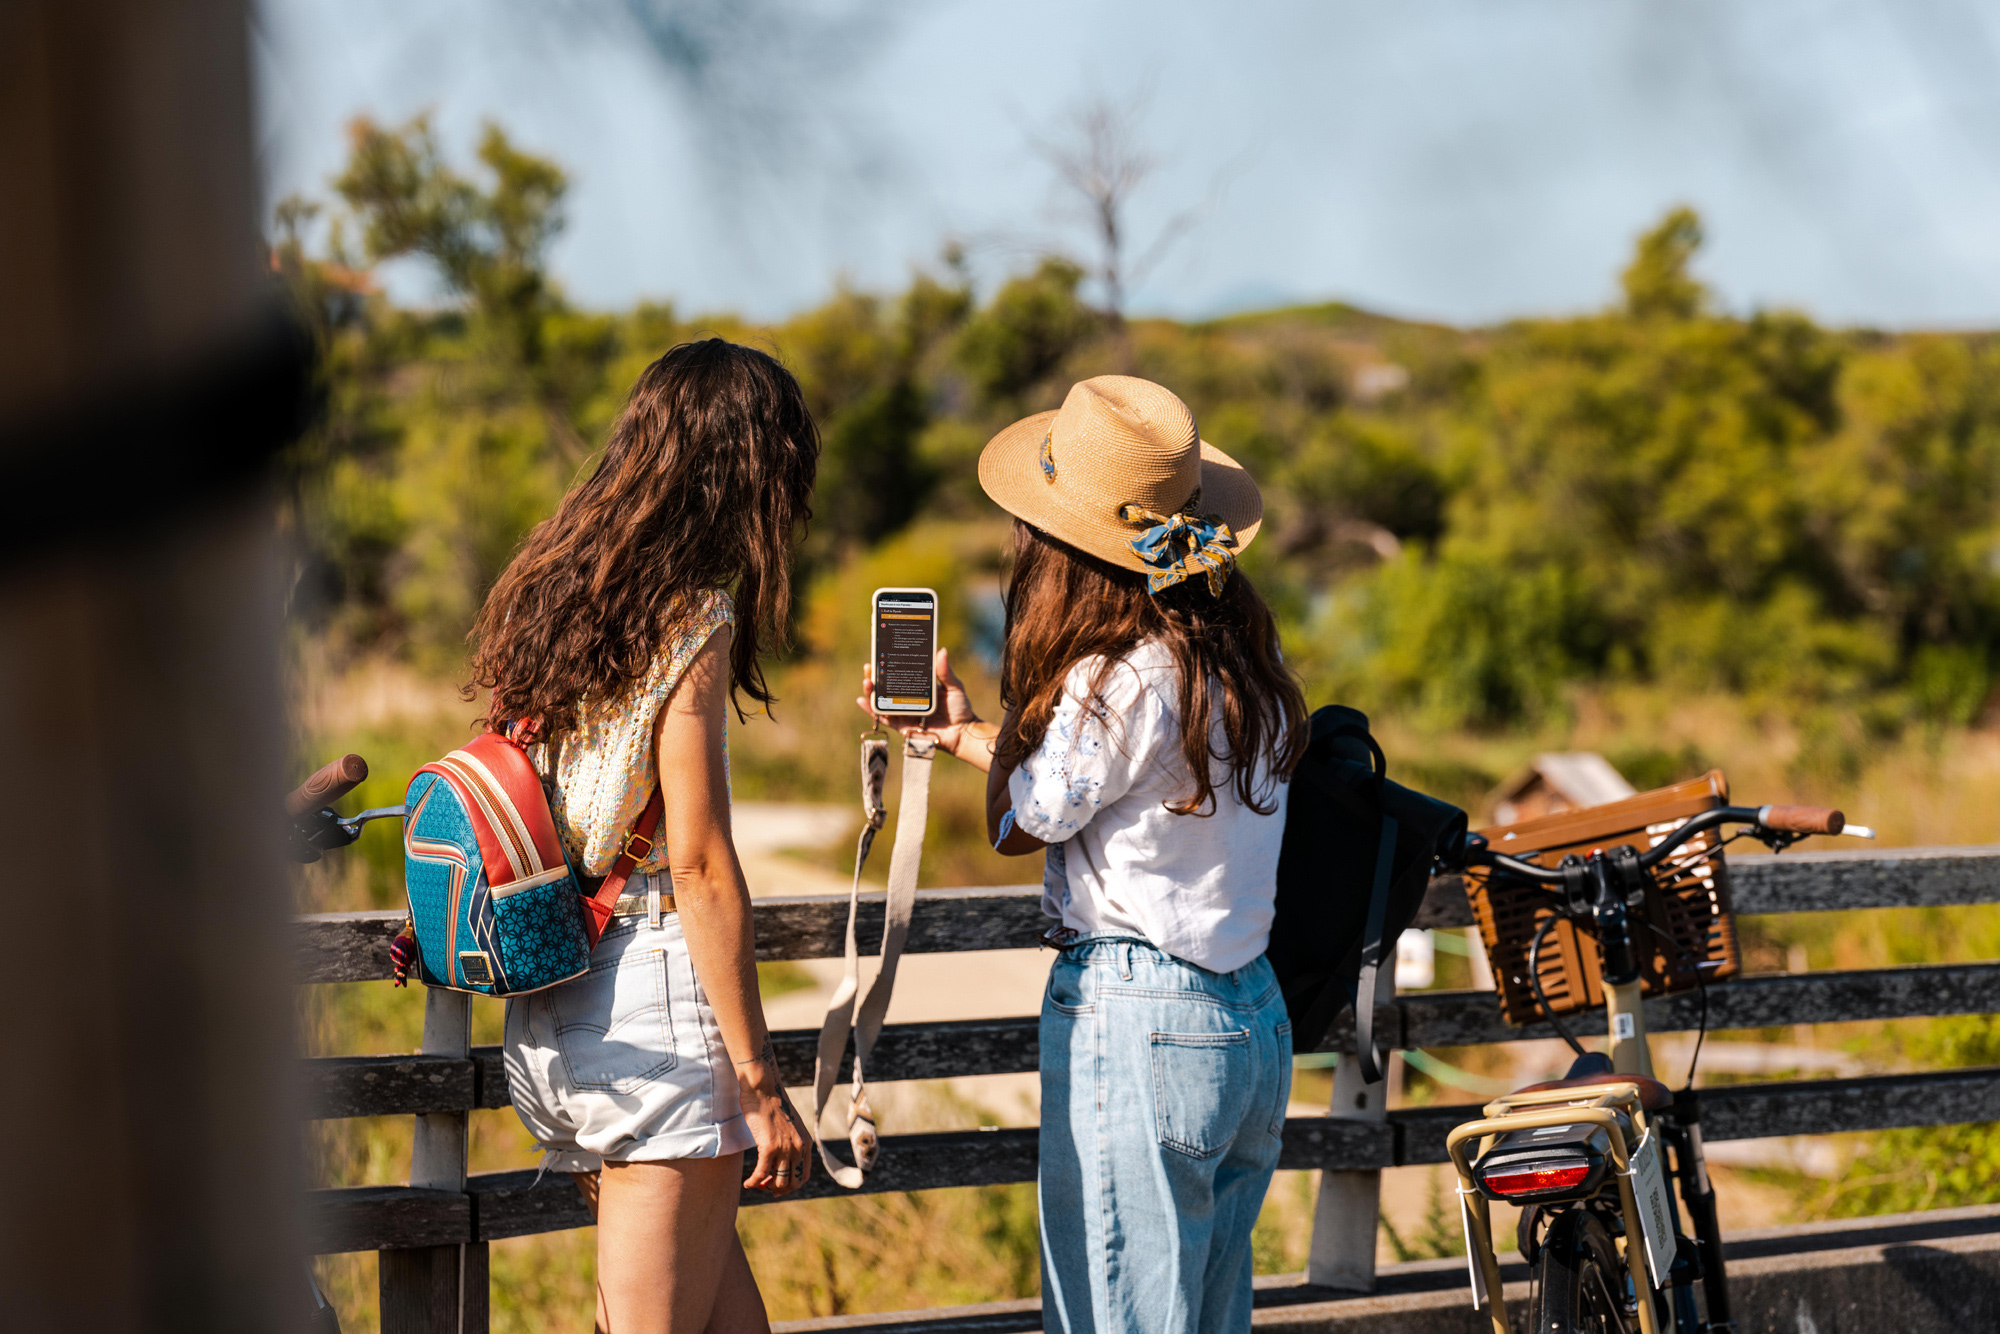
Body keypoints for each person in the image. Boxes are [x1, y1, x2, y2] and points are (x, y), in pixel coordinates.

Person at [856, 376, 1308, 1334]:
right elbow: (1096, 790)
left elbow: (1026, 820)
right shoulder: (1240, 666)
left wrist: (998, 728)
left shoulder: (1117, 675)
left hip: (1144, 1019)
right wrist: (975, 734)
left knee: (1116, 1315)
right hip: (1252, 1020)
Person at [469, 338, 818, 1334]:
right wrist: (759, 1081)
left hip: (561, 998)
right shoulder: (692, 615)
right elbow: (700, 864)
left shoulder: (554, 587)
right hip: (660, 1015)